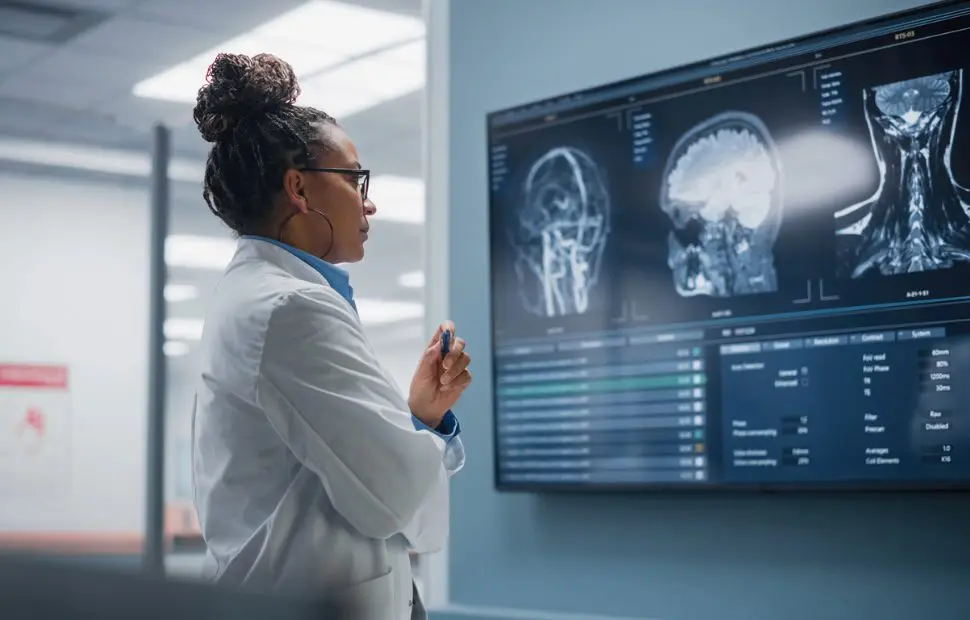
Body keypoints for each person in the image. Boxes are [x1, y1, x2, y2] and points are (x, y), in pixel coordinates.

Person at [189, 52, 472, 620]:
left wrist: (420, 417)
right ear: (299, 188)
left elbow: (348, 468)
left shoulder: (259, 296)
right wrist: (423, 435)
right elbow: (395, 498)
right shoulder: (290, 308)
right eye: (354, 178)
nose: (368, 202)